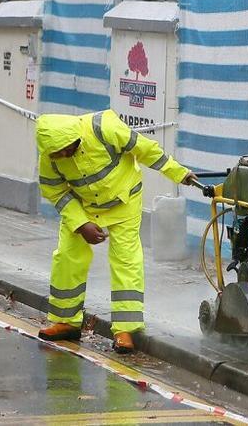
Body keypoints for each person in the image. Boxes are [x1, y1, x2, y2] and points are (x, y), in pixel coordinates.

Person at [34, 109, 199, 353]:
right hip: (84, 206)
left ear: (75, 136)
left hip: (124, 201)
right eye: (58, 154)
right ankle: (66, 322)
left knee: (125, 260)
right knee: (67, 257)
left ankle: (126, 329)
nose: (64, 154)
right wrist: (80, 223)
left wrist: (179, 173)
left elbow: (145, 149)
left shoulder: (105, 128)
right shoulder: (50, 157)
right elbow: (55, 191)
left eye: (69, 148)